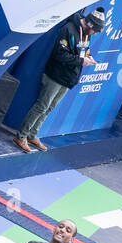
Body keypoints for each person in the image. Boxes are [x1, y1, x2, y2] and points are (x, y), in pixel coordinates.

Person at [14, 9, 104, 152]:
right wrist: (81, 61)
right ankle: (21, 135)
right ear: (89, 24)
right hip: (55, 75)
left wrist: (88, 56)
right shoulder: (68, 29)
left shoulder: (86, 34)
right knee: (42, 106)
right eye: (96, 30)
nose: (96, 34)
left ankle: (32, 134)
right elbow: (59, 54)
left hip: (68, 78)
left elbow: (83, 49)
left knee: (50, 108)